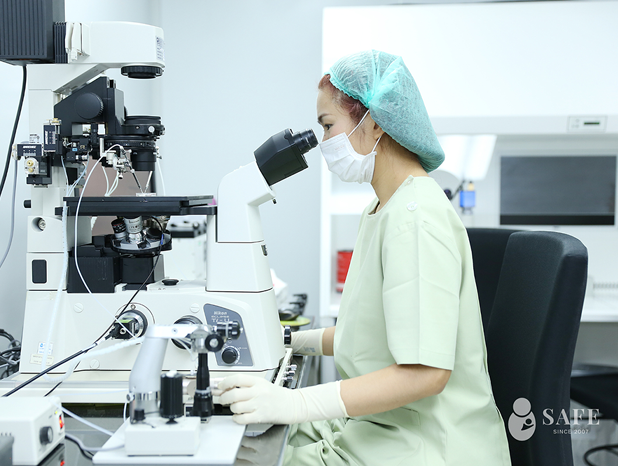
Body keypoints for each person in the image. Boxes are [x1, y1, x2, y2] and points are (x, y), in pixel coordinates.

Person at [218, 50, 512, 465]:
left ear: (374, 123)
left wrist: (296, 403)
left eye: (328, 126)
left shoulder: (416, 219)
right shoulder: (383, 209)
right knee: (249, 440)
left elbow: (426, 373)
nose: (324, 143)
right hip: (383, 424)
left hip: (427, 443)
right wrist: (289, 340)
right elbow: (368, 335)